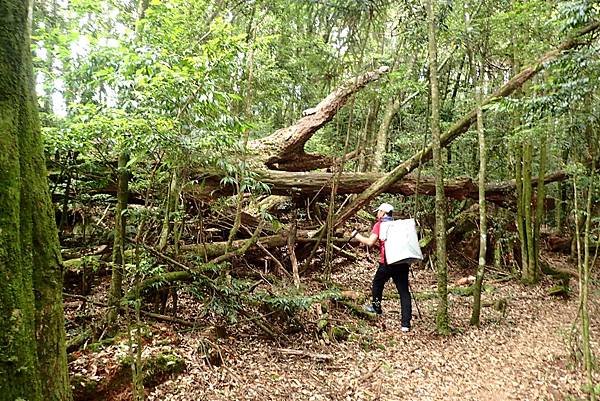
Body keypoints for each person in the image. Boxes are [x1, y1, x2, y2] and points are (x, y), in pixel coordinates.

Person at [352, 202, 412, 332]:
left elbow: (370, 242)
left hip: (387, 262)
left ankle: (376, 307)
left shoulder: (380, 225)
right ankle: (405, 324)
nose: (377, 213)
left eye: (379, 211)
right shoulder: (397, 225)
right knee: (404, 292)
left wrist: (356, 235)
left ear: (384, 213)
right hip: (402, 262)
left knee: (377, 283)